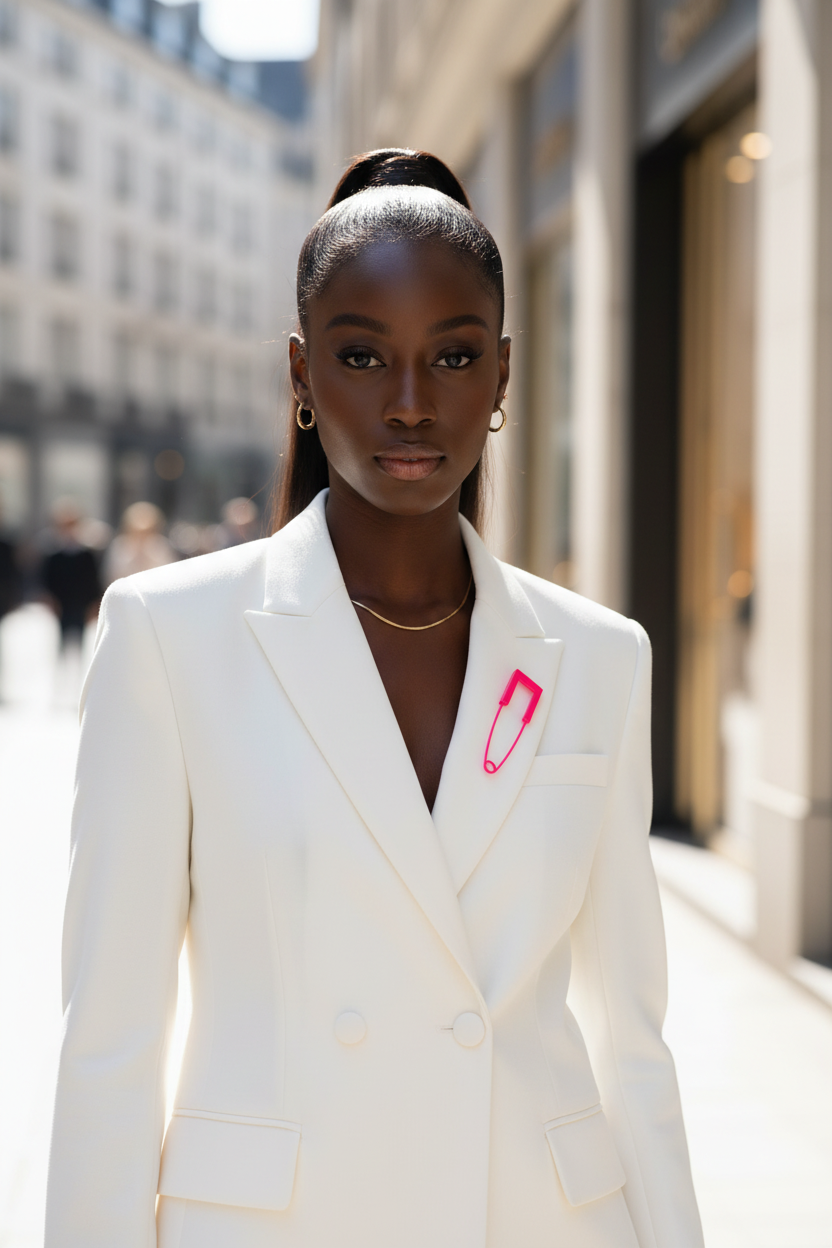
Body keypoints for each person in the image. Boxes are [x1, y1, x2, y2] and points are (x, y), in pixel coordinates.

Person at [45, 150, 703, 1248]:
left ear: (500, 378)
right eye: (362, 356)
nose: (409, 404)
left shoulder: (598, 658)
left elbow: (634, 1042)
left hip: (536, 1220)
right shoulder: (171, 639)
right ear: (302, 376)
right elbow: (109, 1042)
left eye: (451, 357)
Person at [40, 498, 101, 648]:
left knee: (81, 640)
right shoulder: (53, 553)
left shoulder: (87, 553)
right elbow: (47, 578)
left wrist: (94, 602)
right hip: (62, 602)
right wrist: (50, 599)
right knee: (61, 640)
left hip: (81, 602)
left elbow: (93, 578)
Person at [103, 501, 176, 585]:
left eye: (147, 532)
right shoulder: (119, 545)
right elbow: (111, 576)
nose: (142, 537)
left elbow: (169, 575)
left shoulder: (161, 546)